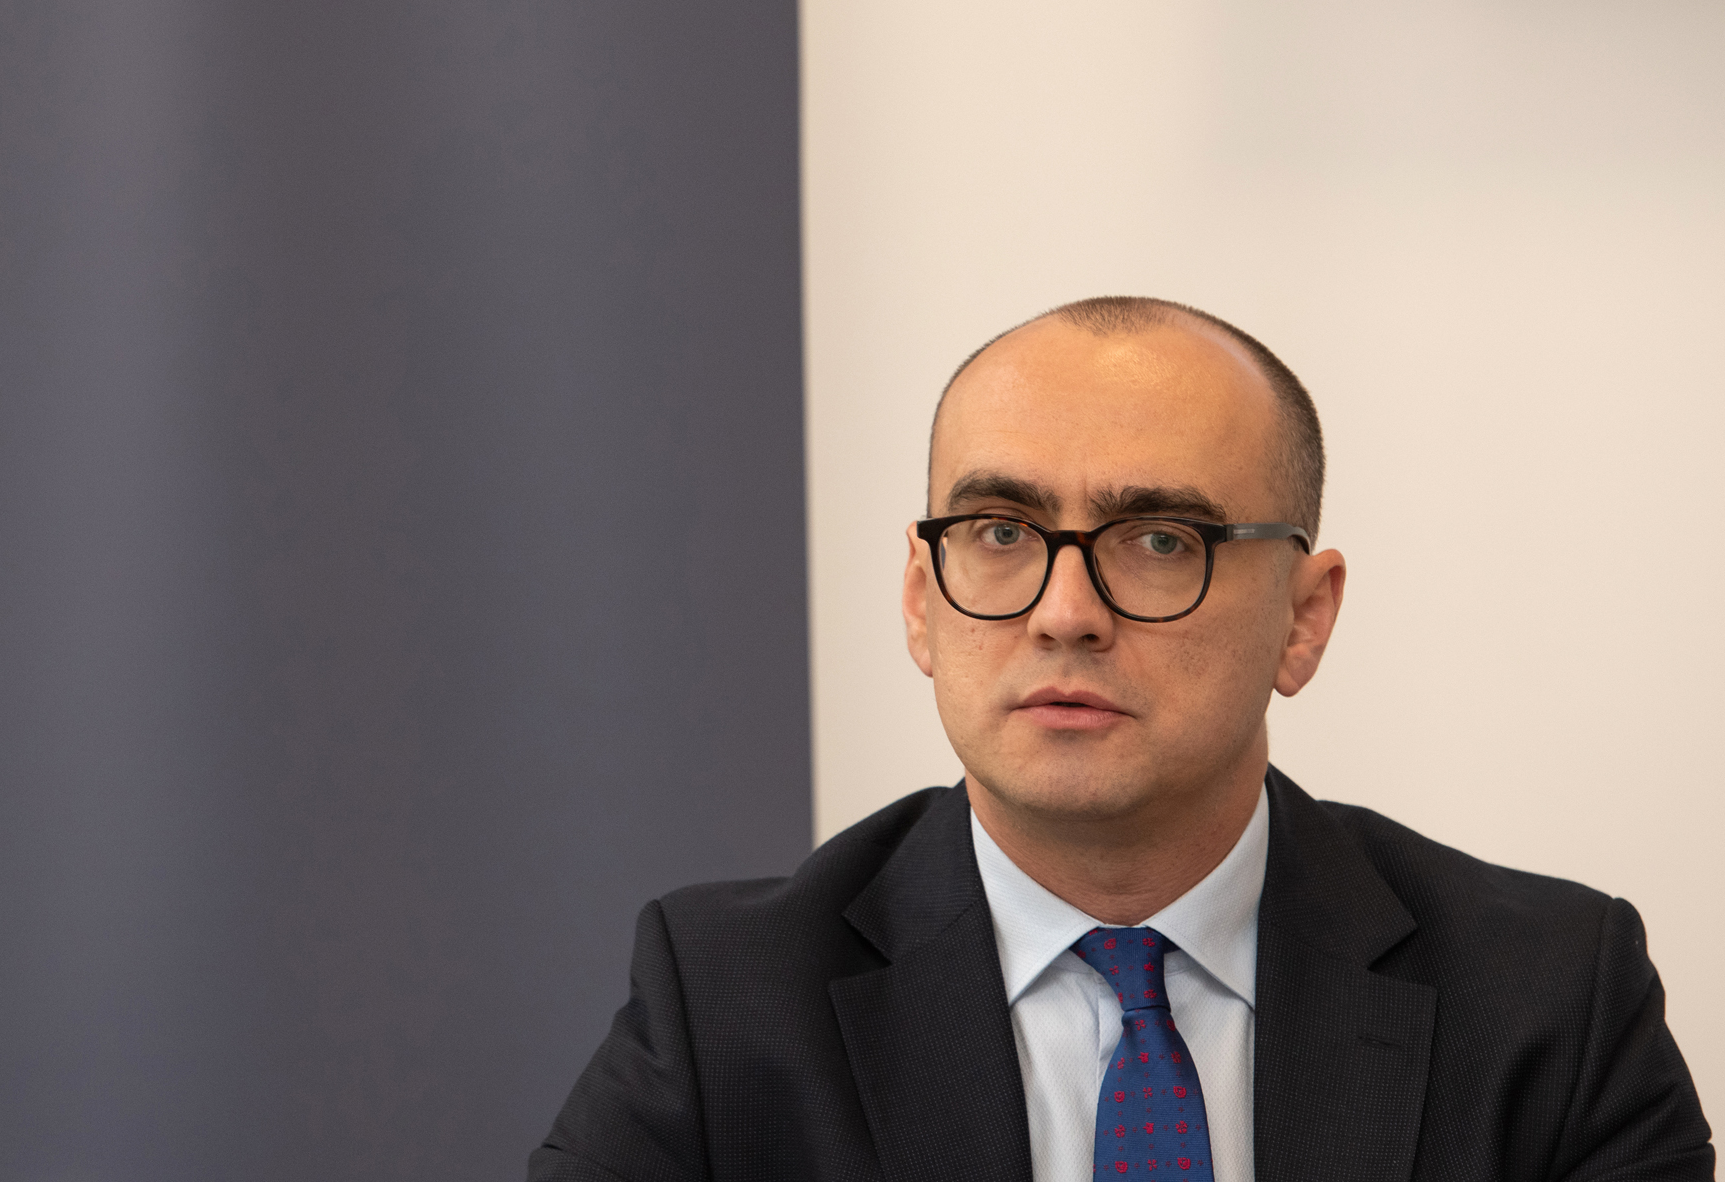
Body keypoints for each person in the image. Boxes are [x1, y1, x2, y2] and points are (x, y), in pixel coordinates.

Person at [531, 296, 1712, 1182]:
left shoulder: (1548, 1002)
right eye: (1000, 531)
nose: (1064, 612)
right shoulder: (729, 1007)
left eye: (1158, 542)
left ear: (1305, 617)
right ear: (921, 601)